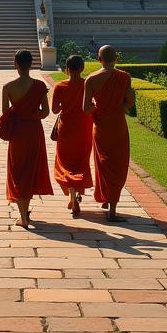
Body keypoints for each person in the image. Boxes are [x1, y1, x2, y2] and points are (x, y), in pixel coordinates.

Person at [0, 49, 53, 228]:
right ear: (31, 64)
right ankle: (25, 213)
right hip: (33, 131)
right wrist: (31, 114)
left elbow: (5, 114)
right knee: (30, 170)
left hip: (17, 132)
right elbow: (45, 112)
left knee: (17, 171)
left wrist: (21, 114)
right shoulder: (39, 86)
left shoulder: (8, 87)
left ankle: (22, 216)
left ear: (15, 64)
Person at [84, 45, 134, 222]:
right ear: (116, 59)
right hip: (118, 126)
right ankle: (112, 207)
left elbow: (86, 108)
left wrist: (100, 108)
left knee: (103, 164)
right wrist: (118, 108)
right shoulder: (125, 77)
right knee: (118, 165)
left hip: (101, 126)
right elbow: (130, 101)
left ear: (99, 59)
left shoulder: (91, 79)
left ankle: (107, 198)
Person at [52, 55, 94, 217]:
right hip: (84, 128)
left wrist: (66, 104)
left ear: (66, 69)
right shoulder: (87, 85)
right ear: (82, 68)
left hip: (66, 130)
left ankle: (72, 196)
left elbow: (55, 110)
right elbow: (93, 105)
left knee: (66, 164)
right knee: (80, 162)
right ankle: (76, 195)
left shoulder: (60, 86)